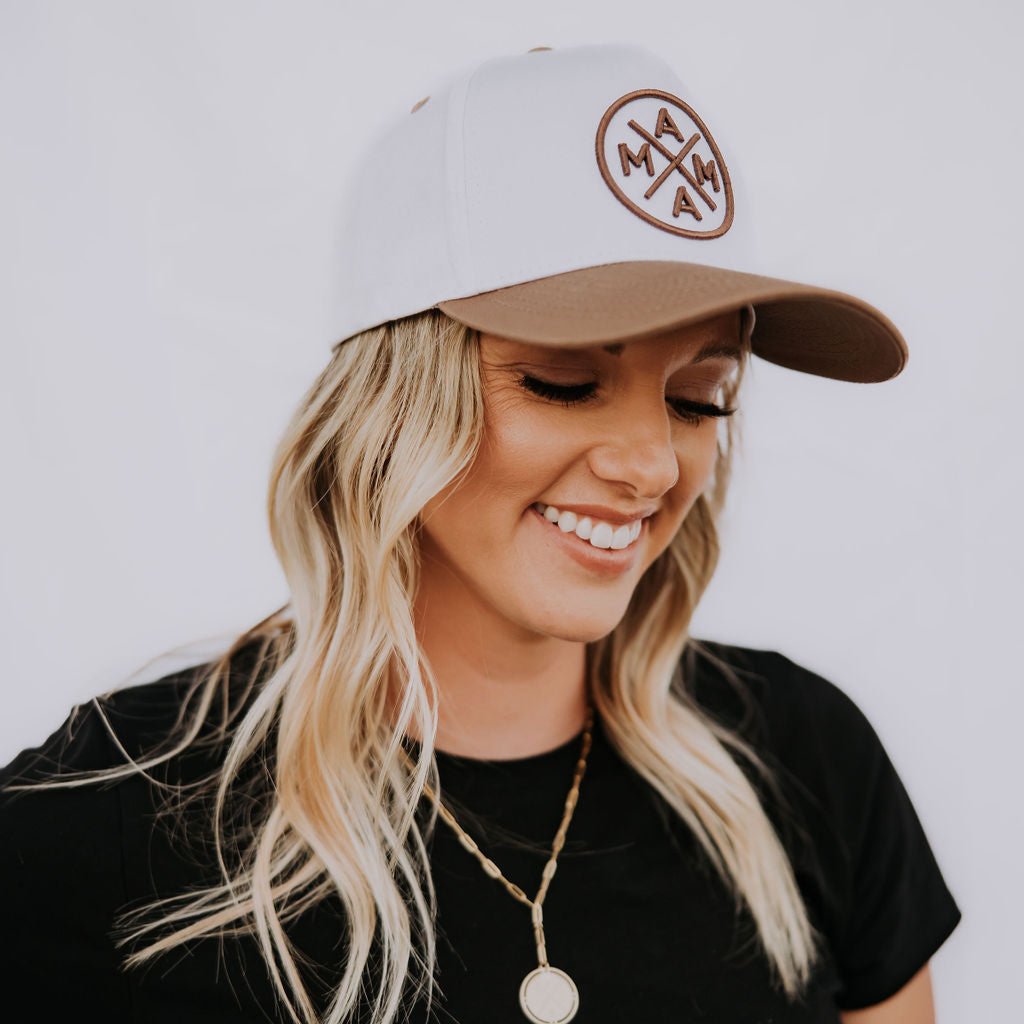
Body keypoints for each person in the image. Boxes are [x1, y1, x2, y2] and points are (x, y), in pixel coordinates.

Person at [0, 41, 960, 1024]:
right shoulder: (109, 811)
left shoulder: (805, 761)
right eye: (562, 381)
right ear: (390, 400)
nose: (652, 463)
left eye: (699, 398)